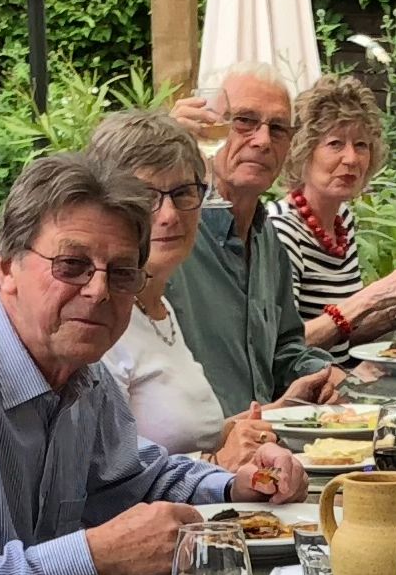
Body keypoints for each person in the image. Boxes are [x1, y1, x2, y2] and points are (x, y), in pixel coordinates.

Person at [0, 155, 303, 575]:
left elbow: (135, 477)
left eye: (121, 273)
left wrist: (237, 484)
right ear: (7, 267)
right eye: (72, 265)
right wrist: (97, 554)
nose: (98, 290)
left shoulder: (84, 371)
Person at [88, 110, 306, 466]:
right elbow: (105, 478)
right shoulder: (100, 318)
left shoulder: (157, 307)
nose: (169, 214)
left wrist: (268, 417)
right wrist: (216, 459)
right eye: (147, 197)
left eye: (183, 193)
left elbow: (180, 436)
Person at [173, 62, 344, 417]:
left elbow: (285, 348)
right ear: (207, 127)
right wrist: (161, 143)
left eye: (278, 128)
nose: (263, 140)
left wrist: (324, 374)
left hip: (266, 452)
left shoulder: (267, 239)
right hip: (191, 462)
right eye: (244, 121)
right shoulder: (168, 232)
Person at [272, 73, 396, 350]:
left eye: (361, 145)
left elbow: (339, 339)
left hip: (342, 380)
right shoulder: (283, 230)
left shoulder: (342, 220)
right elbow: (283, 348)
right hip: (308, 391)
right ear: (302, 151)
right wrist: (369, 298)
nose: (351, 159)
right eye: (335, 144)